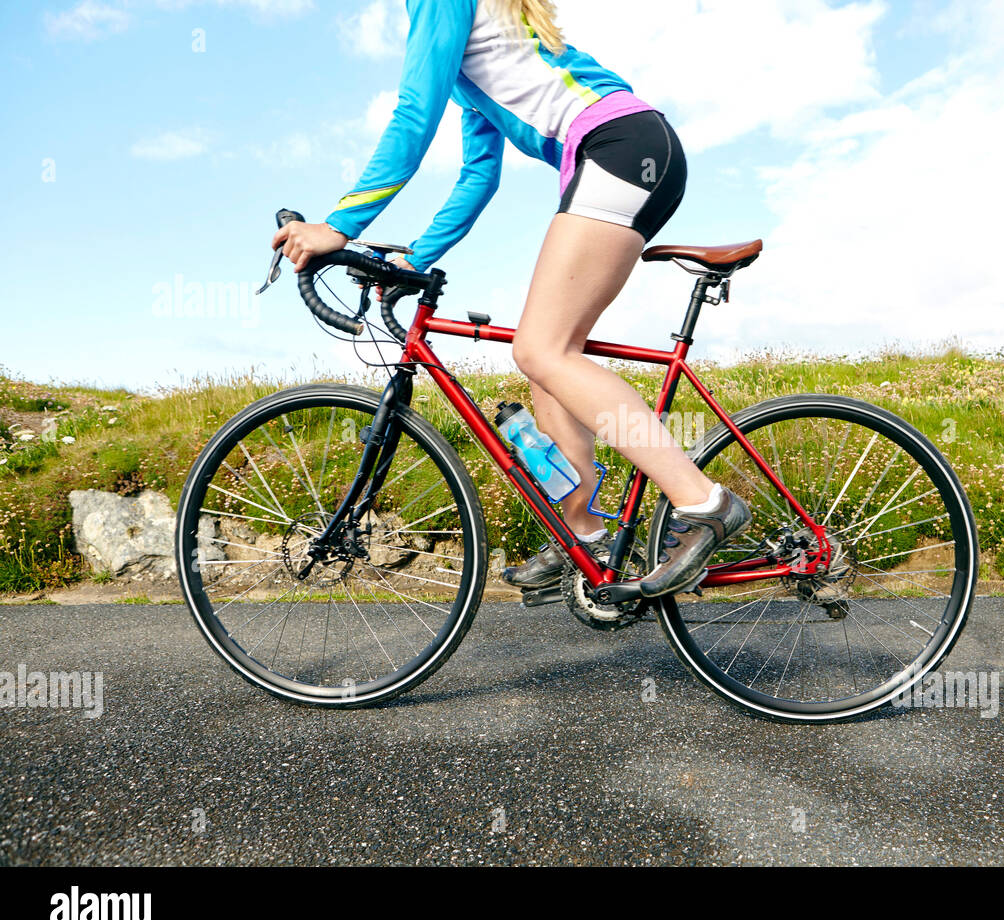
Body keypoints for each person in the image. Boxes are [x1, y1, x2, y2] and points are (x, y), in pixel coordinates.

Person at [271, 0, 749, 597]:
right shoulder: (473, 65)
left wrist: (339, 225)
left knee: (543, 350)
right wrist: (413, 260)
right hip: (627, 148)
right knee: (548, 366)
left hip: (618, 148)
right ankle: (582, 530)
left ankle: (703, 503)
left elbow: (413, 114)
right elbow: (479, 174)